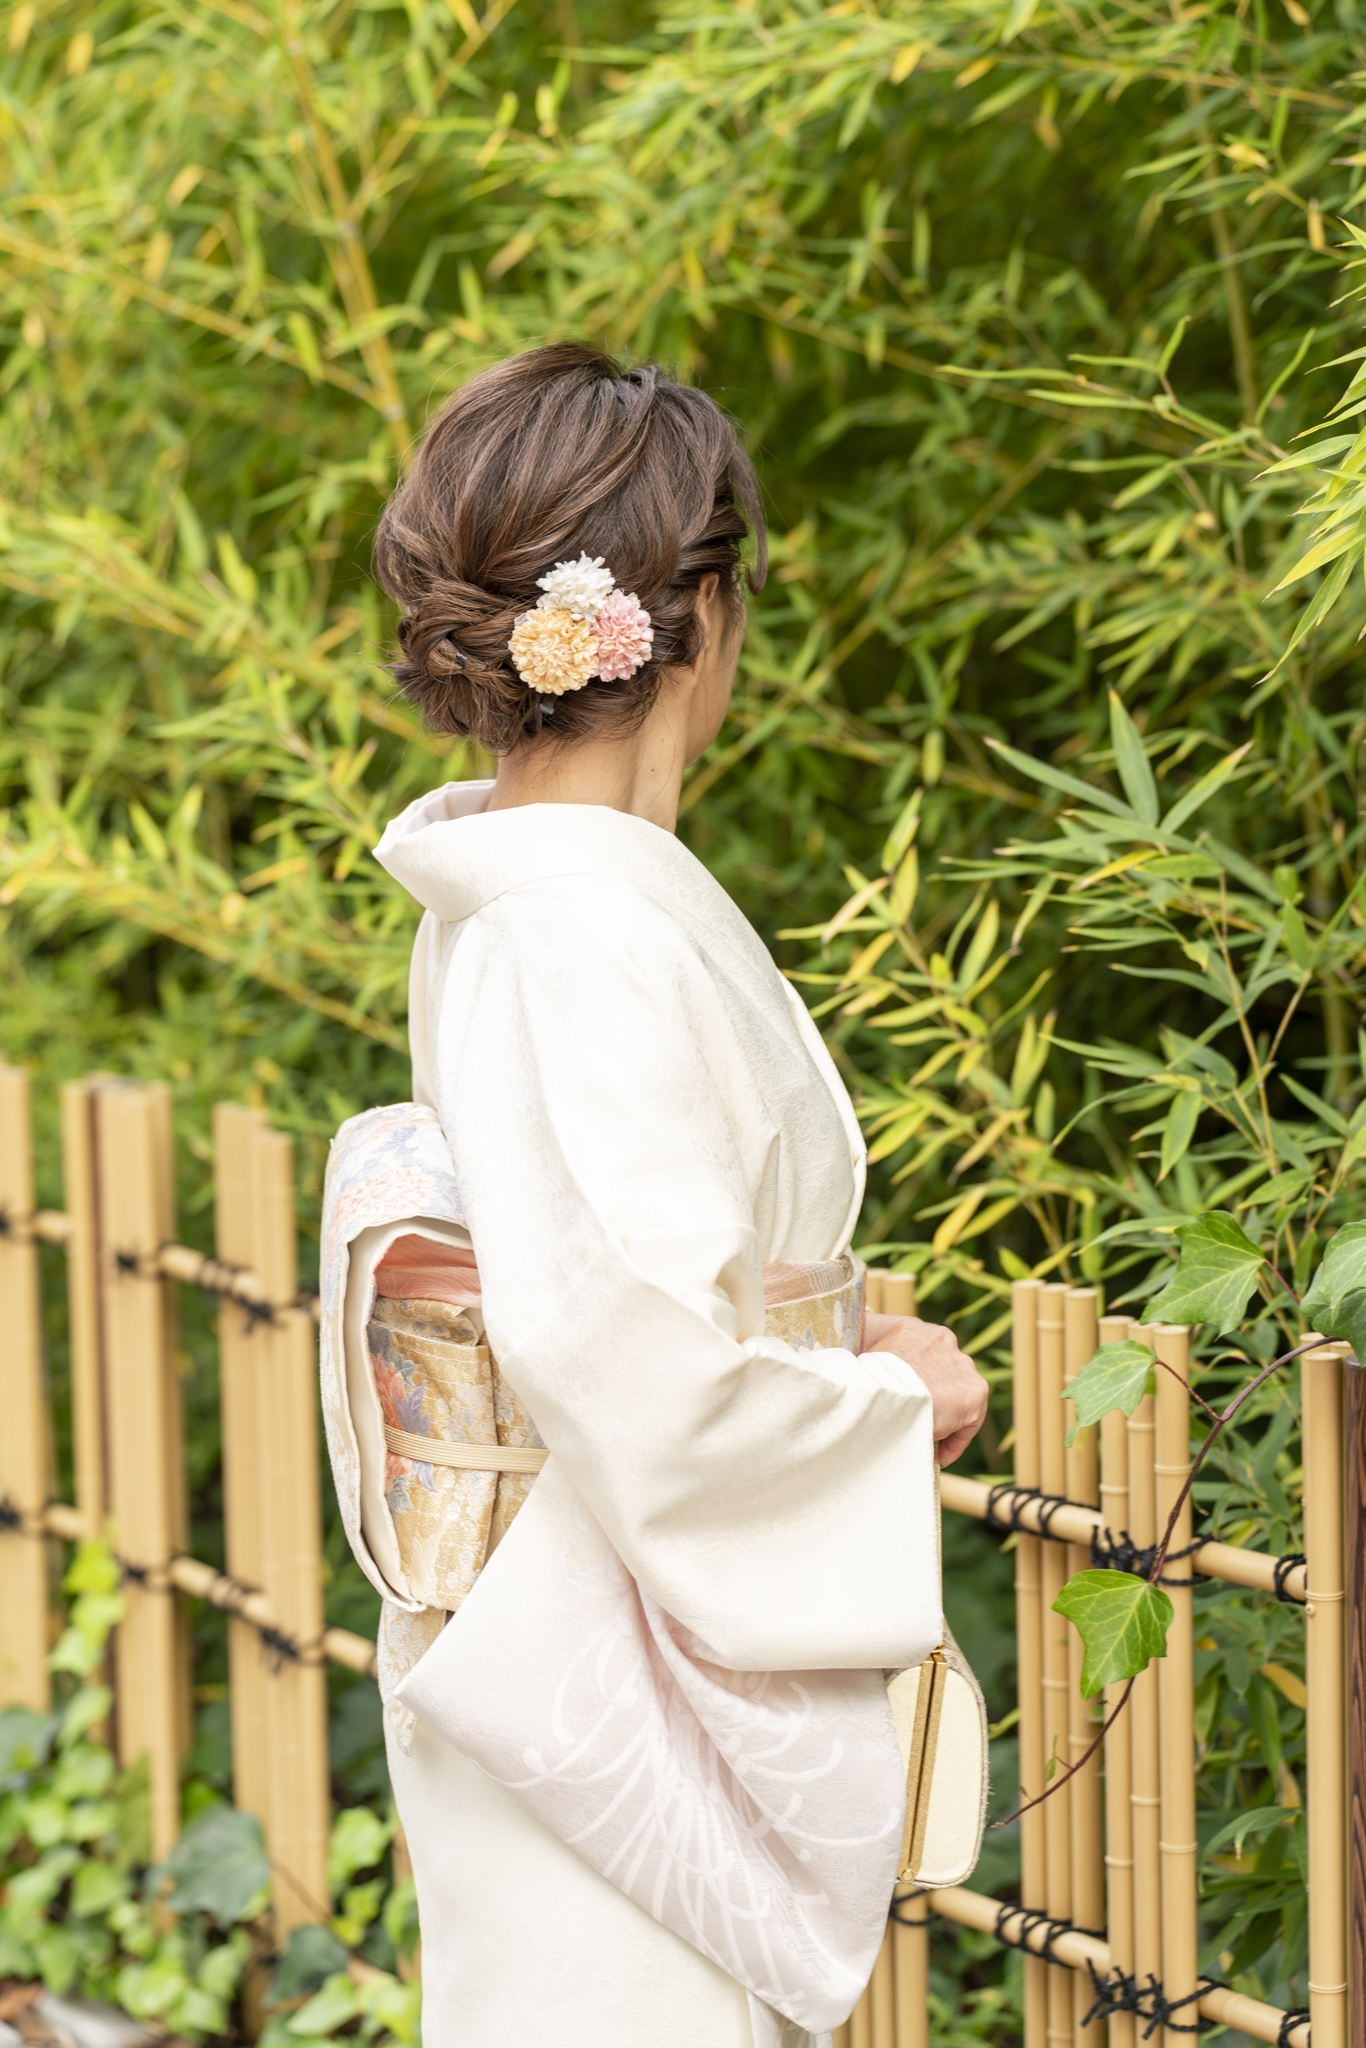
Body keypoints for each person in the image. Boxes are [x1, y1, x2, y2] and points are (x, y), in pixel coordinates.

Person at [319, 342, 988, 2048]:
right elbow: (620, 1351)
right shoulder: (579, 930)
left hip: (566, 1624)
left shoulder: (518, 899)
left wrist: (818, 1344)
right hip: (598, 1649)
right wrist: (879, 1405)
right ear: (696, 614)